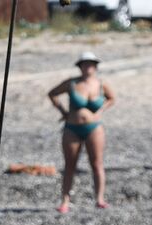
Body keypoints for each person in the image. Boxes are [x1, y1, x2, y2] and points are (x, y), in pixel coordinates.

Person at [47, 51, 115, 214]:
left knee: (97, 163)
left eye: (91, 64)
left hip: (94, 128)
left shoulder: (101, 84)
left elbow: (111, 98)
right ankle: (65, 200)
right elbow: (52, 94)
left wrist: (101, 111)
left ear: (95, 66)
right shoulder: (72, 83)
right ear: (80, 67)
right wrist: (63, 112)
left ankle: (99, 199)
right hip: (72, 128)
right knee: (70, 165)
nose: (88, 67)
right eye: (84, 64)